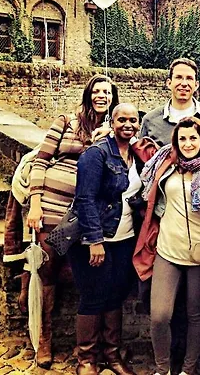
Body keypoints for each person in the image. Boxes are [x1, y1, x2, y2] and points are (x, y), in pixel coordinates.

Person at [25, 74, 119, 368]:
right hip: (53, 205)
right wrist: (36, 203)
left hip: (85, 211)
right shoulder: (67, 122)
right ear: (88, 94)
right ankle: (45, 336)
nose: (101, 96)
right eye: (97, 91)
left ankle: (95, 348)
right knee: (47, 267)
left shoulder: (113, 131)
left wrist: (107, 140)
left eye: (107, 92)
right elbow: (40, 160)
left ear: (113, 99)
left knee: (89, 273)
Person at [133, 117, 200, 375]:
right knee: (160, 315)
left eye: (193, 138)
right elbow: (141, 154)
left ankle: (187, 369)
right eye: (182, 138)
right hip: (168, 249)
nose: (188, 143)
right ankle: (162, 369)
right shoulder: (167, 164)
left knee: (196, 314)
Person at [69, 103, 143, 375]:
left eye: (133, 120)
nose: (128, 125)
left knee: (116, 295)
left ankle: (112, 355)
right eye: (122, 120)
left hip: (125, 238)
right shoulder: (96, 154)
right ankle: (86, 358)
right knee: (93, 295)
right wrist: (95, 240)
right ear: (112, 123)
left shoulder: (136, 155)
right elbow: (85, 199)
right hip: (95, 240)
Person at [141, 57, 200, 146]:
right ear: (169, 83)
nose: (184, 83)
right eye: (178, 77)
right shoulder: (150, 120)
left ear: (196, 85)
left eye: (189, 78)